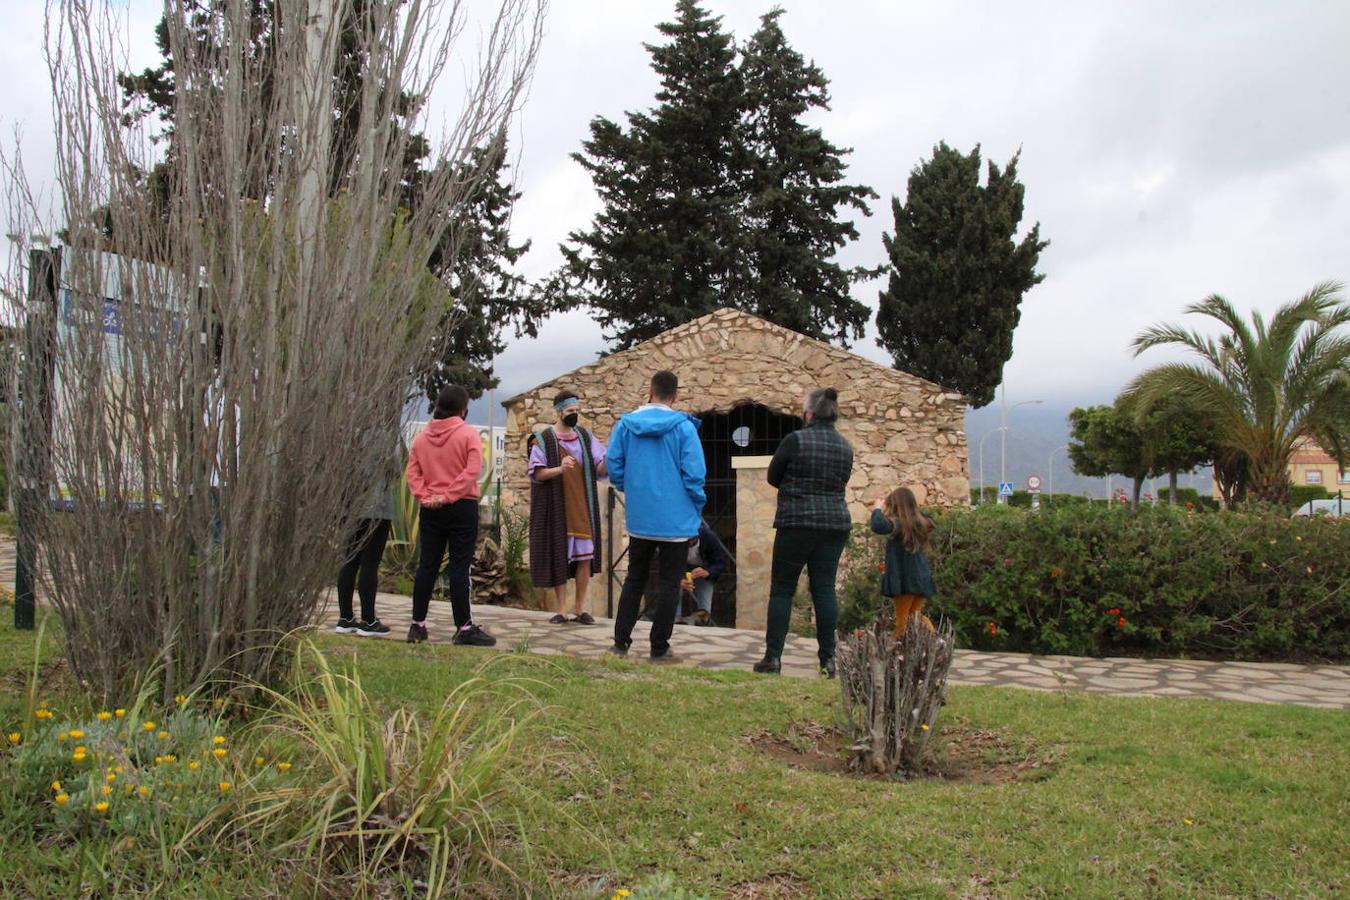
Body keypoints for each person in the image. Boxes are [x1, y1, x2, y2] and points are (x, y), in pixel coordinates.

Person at [606, 370, 706, 661]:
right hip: (675, 520)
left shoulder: (625, 425)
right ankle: (659, 646)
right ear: (675, 397)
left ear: (649, 391)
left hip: (640, 518)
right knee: (669, 582)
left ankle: (620, 642)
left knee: (635, 578)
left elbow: (614, 463)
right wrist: (696, 505)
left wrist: (630, 487)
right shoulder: (684, 428)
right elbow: (695, 474)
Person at [754, 387, 854, 677]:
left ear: (809, 413)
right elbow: (842, 481)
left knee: (783, 589)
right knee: (824, 589)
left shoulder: (795, 440)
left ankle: (773, 658)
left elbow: (773, 476)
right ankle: (828, 660)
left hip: (796, 521)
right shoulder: (845, 446)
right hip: (834, 523)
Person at [405, 384, 496, 647]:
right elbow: (472, 471)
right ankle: (464, 627)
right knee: (459, 567)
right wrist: (449, 495)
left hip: (430, 509)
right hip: (461, 506)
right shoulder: (468, 435)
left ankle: (417, 625)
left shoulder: (421, 438)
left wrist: (425, 496)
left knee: (427, 566)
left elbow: (413, 472)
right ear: (463, 410)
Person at [528, 389, 607, 625]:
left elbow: (599, 469)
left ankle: (580, 608)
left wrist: (612, 457)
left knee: (584, 557)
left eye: (577, 410)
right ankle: (561, 609)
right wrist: (560, 469)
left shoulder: (585, 437)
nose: (575, 414)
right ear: (559, 411)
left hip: (582, 505)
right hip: (556, 506)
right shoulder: (543, 439)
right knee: (560, 554)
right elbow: (537, 473)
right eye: (571, 411)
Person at [334, 435, 398, 637]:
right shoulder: (386, 439)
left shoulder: (346, 437)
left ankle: (345, 617)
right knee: (370, 563)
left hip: (348, 508)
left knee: (349, 560)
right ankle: (369, 619)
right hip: (377, 509)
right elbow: (395, 471)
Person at [870, 487, 936, 637]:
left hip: (905, 580)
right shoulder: (921, 522)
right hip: (921, 578)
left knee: (902, 622)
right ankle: (937, 641)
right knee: (915, 616)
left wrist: (878, 509)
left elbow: (878, 525)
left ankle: (892, 654)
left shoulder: (899, 525)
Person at [678, 521, 729, 626]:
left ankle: (702, 622)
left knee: (705, 601)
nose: (689, 543)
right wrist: (676, 579)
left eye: (691, 540)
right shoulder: (674, 539)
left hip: (704, 569)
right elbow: (666, 563)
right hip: (679, 570)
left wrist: (708, 572)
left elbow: (721, 562)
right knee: (673, 588)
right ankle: (674, 621)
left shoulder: (709, 537)